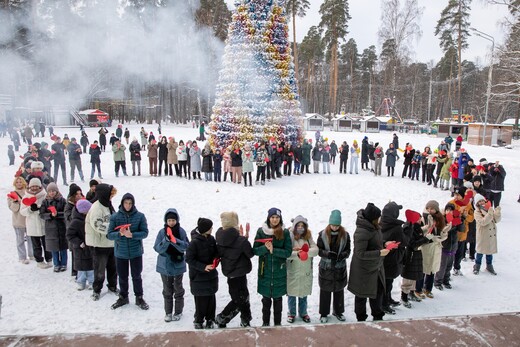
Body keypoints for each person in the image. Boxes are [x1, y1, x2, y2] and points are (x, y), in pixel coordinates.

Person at [108, 193, 150, 310]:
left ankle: (139, 297)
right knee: (122, 276)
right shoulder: (115, 217)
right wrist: (119, 234)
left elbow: (145, 232)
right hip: (120, 253)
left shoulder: (140, 216)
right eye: (126, 203)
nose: (128, 205)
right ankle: (123, 296)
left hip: (135, 251)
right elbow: (109, 235)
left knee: (136, 276)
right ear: (122, 203)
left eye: (130, 203)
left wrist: (133, 235)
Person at [348, 203, 387, 322]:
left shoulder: (373, 227)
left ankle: (377, 315)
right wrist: (379, 253)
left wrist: (385, 244)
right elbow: (360, 253)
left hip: (375, 267)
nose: (379, 220)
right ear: (372, 218)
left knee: (378, 292)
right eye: (378, 218)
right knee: (361, 295)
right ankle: (361, 318)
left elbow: (375, 242)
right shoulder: (362, 231)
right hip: (363, 270)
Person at [253, 208, 292, 326]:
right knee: (265, 301)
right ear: (268, 218)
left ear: (280, 219)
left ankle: (277, 324)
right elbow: (255, 250)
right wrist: (265, 248)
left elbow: (288, 252)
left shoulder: (284, 232)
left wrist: (273, 250)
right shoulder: (261, 231)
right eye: (272, 217)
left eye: (277, 217)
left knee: (278, 302)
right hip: (265, 271)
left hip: (279, 272)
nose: (275, 220)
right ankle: (265, 323)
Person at [215, 211, 254, 328]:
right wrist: (245, 239)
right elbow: (250, 254)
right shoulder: (240, 240)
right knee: (239, 300)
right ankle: (222, 318)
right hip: (240, 274)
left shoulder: (220, 238)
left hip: (230, 275)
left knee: (243, 297)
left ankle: (246, 319)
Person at [154, 209, 189, 322]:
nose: (171, 222)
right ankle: (168, 312)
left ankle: (178, 311)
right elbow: (157, 248)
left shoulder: (181, 231)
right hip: (164, 266)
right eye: (169, 220)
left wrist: (175, 241)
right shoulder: (161, 232)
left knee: (178, 289)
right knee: (167, 290)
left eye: (173, 220)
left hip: (178, 265)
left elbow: (186, 246)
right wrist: (166, 241)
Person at [85, 183, 118, 300]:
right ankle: (97, 289)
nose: (111, 197)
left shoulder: (109, 205)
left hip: (111, 243)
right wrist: (114, 228)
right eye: (110, 195)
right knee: (99, 270)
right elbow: (98, 225)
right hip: (99, 244)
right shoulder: (96, 208)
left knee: (113, 268)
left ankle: (113, 286)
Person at [317, 210, 350, 323]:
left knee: (338, 291)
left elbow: (348, 250)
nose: (335, 227)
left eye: (337, 225)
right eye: (333, 225)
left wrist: (343, 255)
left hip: (339, 268)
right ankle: (324, 313)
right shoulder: (322, 234)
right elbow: (319, 250)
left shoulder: (345, 235)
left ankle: (338, 311)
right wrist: (327, 254)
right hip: (326, 268)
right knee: (325, 291)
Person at [186, 218, 218, 329]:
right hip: (198, 276)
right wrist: (203, 267)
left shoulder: (211, 239)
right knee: (200, 299)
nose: (211, 229)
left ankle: (210, 319)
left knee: (211, 297)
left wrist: (216, 260)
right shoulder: (194, 243)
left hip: (211, 275)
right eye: (210, 228)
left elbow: (215, 252)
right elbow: (189, 259)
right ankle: (199, 319)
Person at [414, 200, 449, 299]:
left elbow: (442, 232)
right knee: (423, 268)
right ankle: (418, 289)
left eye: (432, 208)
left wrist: (443, 235)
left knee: (432, 269)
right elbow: (419, 232)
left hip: (436, 246)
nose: (430, 210)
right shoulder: (423, 218)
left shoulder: (440, 218)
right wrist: (429, 234)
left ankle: (428, 289)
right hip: (426, 246)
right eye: (428, 208)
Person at [286, 215, 318, 323]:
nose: (300, 227)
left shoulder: (308, 237)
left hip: (305, 271)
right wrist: (297, 253)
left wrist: (306, 252)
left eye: (302, 225)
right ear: (294, 226)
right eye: (298, 225)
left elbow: (315, 250)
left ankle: (303, 313)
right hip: (293, 271)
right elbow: (286, 253)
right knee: (292, 294)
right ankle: (291, 313)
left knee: (303, 294)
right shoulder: (289, 236)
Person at [20, 178, 52, 268]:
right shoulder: (26, 197)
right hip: (32, 224)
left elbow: (49, 207)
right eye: (32, 186)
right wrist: (30, 209)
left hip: (43, 223)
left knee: (47, 243)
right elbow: (22, 211)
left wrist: (39, 208)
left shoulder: (45, 195)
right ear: (30, 186)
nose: (34, 188)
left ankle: (49, 259)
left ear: (39, 186)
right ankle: (39, 261)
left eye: (36, 186)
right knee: (36, 245)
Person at [380, 201, 406, 315]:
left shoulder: (381, 223)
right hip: (393, 258)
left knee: (386, 282)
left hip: (385, 257)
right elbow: (405, 241)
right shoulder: (396, 228)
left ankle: (387, 299)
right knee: (388, 283)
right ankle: (385, 304)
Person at [400, 209, 429, 308]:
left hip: (417, 254)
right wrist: (425, 239)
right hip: (410, 255)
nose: (421, 220)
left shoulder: (417, 227)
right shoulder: (409, 228)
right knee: (408, 277)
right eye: (419, 219)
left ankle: (411, 293)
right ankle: (404, 297)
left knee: (415, 275)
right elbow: (412, 244)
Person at [66, 199, 94, 290]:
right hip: (80, 248)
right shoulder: (76, 222)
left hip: (90, 245)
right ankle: (81, 282)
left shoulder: (90, 219)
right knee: (81, 267)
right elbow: (70, 235)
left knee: (91, 266)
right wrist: (79, 242)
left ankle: (92, 282)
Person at [7, 177, 34, 263]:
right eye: (17, 182)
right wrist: (15, 202)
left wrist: (22, 202)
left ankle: (32, 255)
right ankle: (22, 257)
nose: (19, 184)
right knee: (20, 240)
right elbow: (13, 209)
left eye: (20, 182)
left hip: (28, 219)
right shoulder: (11, 195)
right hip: (18, 221)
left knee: (31, 239)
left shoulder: (28, 193)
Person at [473, 194, 501, 275]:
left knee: (489, 251)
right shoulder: (477, 212)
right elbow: (483, 222)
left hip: (491, 234)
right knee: (480, 252)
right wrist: (490, 213)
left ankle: (489, 265)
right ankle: (477, 266)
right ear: (477, 204)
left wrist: (497, 212)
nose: (482, 202)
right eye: (479, 201)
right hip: (482, 235)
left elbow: (496, 220)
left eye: (482, 200)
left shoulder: (489, 209)